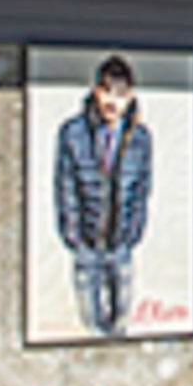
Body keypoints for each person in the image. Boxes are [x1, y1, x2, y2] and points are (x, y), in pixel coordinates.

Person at [55, 54, 153, 337]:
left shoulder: (140, 138)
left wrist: (133, 233)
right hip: (86, 242)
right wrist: (73, 236)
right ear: (96, 91)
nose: (112, 101)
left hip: (120, 242)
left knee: (121, 318)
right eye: (107, 91)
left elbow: (142, 189)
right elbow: (65, 186)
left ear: (130, 97)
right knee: (90, 323)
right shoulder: (73, 133)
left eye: (120, 94)